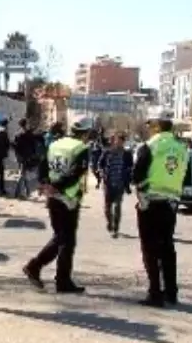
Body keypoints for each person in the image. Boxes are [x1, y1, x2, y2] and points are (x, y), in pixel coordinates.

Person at [23, 117, 95, 294]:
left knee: (61, 238)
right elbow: (76, 173)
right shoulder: (81, 148)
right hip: (68, 198)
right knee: (66, 240)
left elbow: (43, 166)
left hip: (53, 196)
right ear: (85, 133)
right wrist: (57, 186)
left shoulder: (55, 144)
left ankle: (55, 276)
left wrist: (45, 184)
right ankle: (46, 272)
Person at [130, 109, 192, 307]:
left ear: (157, 125)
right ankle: (171, 293)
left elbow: (136, 176)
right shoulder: (183, 149)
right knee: (167, 248)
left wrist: (142, 192)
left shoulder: (149, 146)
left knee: (149, 249)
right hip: (171, 204)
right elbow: (188, 179)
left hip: (150, 203)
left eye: (150, 125)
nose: (148, 129)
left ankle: (155, 292)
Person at [98, 132, 134, 238]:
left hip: (120, 183)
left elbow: (131, 167)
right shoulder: (107, 152)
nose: (119, 142)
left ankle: (115, 228)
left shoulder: (127, 154)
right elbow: (100, 164)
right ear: (114, 141)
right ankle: (109, 222)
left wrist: (129, 178)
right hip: (108, 183)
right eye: (117, 140)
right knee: (107, 207)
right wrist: (101, 172)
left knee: (117, 206)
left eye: (122, 140)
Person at [12, 118, 38, 199]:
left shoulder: (18, 134)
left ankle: (27, 192)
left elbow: (15, 146)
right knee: (22, 175)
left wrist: (17, 156)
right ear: (26, 124)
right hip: (27, 156)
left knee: (24, 174)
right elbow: (33, 145)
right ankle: (17, 192)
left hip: (21, 157)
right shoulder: (28, 133)